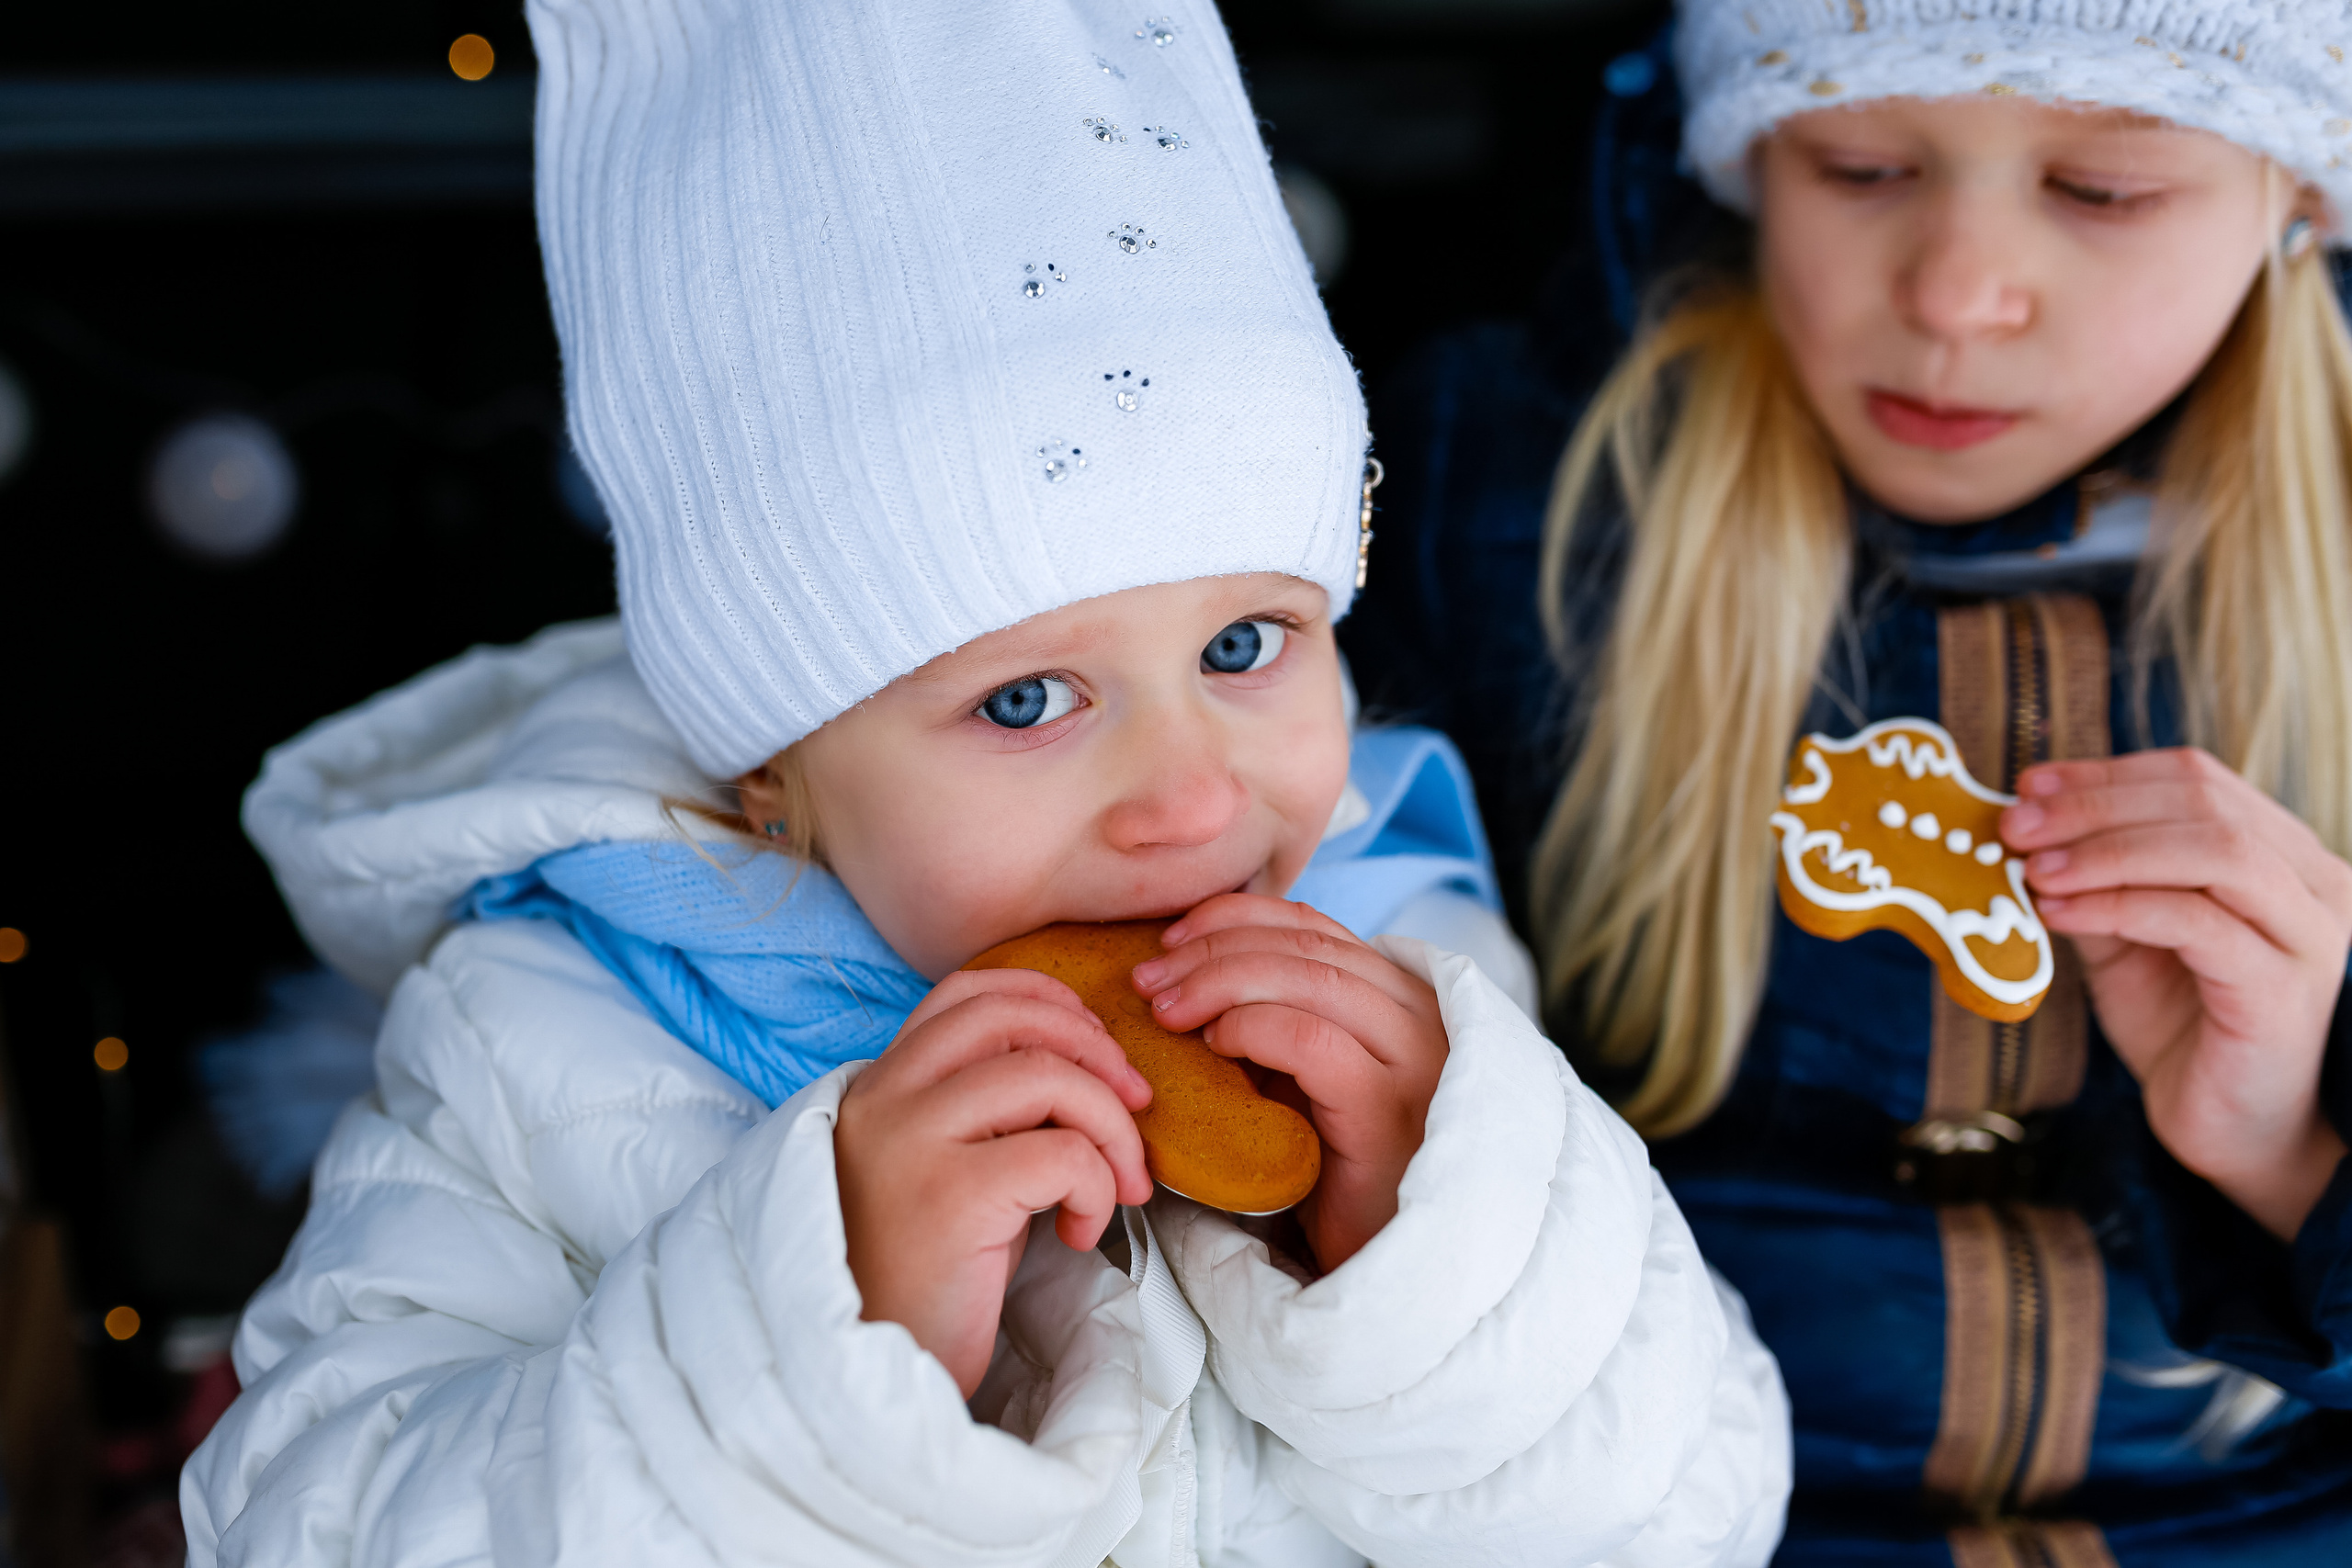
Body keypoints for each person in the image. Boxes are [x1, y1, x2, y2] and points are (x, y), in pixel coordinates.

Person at [178, 3, 1792, 1564]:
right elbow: (309, 1522)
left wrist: (1442, 1249)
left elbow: (1701, 1503)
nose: (1190, 799)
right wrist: (828, 1337)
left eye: (1244, 645)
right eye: (1026, 700)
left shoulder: (1404, 967)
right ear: (773, 768)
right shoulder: (546, 1037)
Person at [1346, 3, 2352, 1562]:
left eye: (2104, 191)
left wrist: (2292, 1151)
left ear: (2296, 193)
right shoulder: (1502, 503)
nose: (1955, 295)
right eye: (1861, 166)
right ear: (1744, 163)